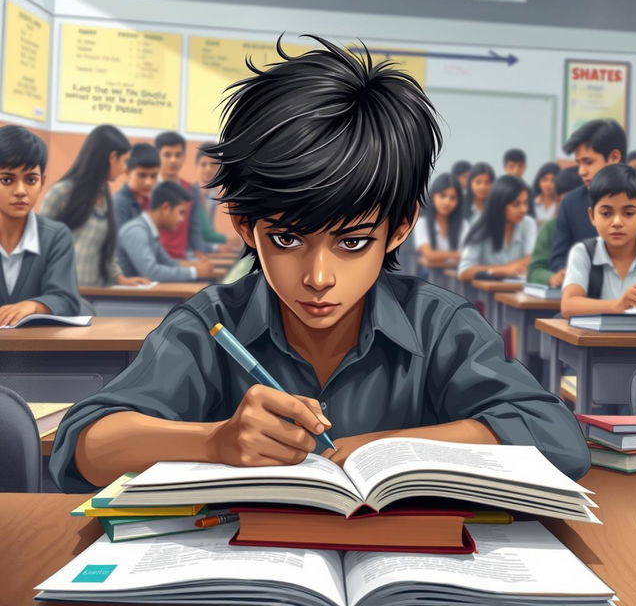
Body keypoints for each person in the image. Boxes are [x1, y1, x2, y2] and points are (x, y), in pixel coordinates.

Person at [50, 36, 589, 493]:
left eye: (353, 242)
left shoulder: (439, 324)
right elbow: (85, 444)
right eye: (286, 238)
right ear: (244, 225)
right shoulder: (210, 326)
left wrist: (390, 446)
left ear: (398, 229)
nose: (319, 277)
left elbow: (558, 438)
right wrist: (214, 440)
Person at [39, 125, 149, 288]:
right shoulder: (61, 193)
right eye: (125, 161)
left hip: (96, 294)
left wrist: (119, 277)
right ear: (112, 158)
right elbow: (39, 245)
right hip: (62, 293)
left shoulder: (105, 197)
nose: (125, 168)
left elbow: (106, 251)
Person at [0, 125, 80, 327]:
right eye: (7, 179)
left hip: (37, 352)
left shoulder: (56, 236)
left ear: (42, 182)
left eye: (31, 179)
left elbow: (66, 299)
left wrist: (33, 305)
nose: (20, 191)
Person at [561, 164, 636, 318]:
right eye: (606, 213)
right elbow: (568, 305)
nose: (617, 222)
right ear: (592, 216)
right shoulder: (584, 252)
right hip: (594, 342)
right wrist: (618, 305)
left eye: (629, 213)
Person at [550, 119, 626, 272]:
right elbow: (558, 258)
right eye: (579, 163)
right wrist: (565, 272)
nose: (581, 171)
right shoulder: (571, 203)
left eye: (588, 162)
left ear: (614, 158)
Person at [118, 181, 220, 282]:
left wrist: (195, 264)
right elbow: (151, 272)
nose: (182, 219)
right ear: (165, 208)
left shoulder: (149, 229)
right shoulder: (136, 231)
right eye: (181, 212)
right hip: (126, 296)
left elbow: (168, 263)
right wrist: (194, 272)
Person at [458, 175, 537, 281]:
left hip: (518, 292)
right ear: (500, 204)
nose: (523, 209)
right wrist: (504, 270)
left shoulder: (528, 223)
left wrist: (508, 268)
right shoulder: (482, 226)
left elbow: (532, 260)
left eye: (525, 203)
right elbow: (464, 271)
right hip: (485, 294)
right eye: (516, 204)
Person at [155, 131, 213, 260]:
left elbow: (195, 228)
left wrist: (199, 252)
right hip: (151, 261)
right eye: (167, 155)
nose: (173, 160)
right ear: (157, 156)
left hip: (182, 259)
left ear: (184, 157)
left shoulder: (191, 190)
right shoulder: (146, 189)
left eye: (178, 155)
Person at [527, 166, 583, 287]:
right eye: (568, 199)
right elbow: (534, 271)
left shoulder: (600, 226)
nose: (575, 205)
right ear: (558, 199)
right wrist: (551, 277)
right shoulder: (550, 227)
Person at [413, 172, 468, 266]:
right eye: (443, 196)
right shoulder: (422, 223)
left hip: (458, 276)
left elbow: (469, 257)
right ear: (433, 196)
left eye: (453, 198)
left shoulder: (464, 225)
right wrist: (457, 255)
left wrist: (438, 259)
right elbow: (429, 255)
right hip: (429, 277)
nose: (447, 202)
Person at [112, 143, 160, 228]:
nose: (148, 182)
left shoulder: (149, 203)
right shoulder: (118, 205)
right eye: (142, 175)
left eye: (153, 176)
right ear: (127, 171)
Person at [194, 143, 228, 246]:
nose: (208, 169)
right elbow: (204, 233)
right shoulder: (190, 194)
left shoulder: (219, 195)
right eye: (203, 164)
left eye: (213, 164)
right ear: (197, 166)